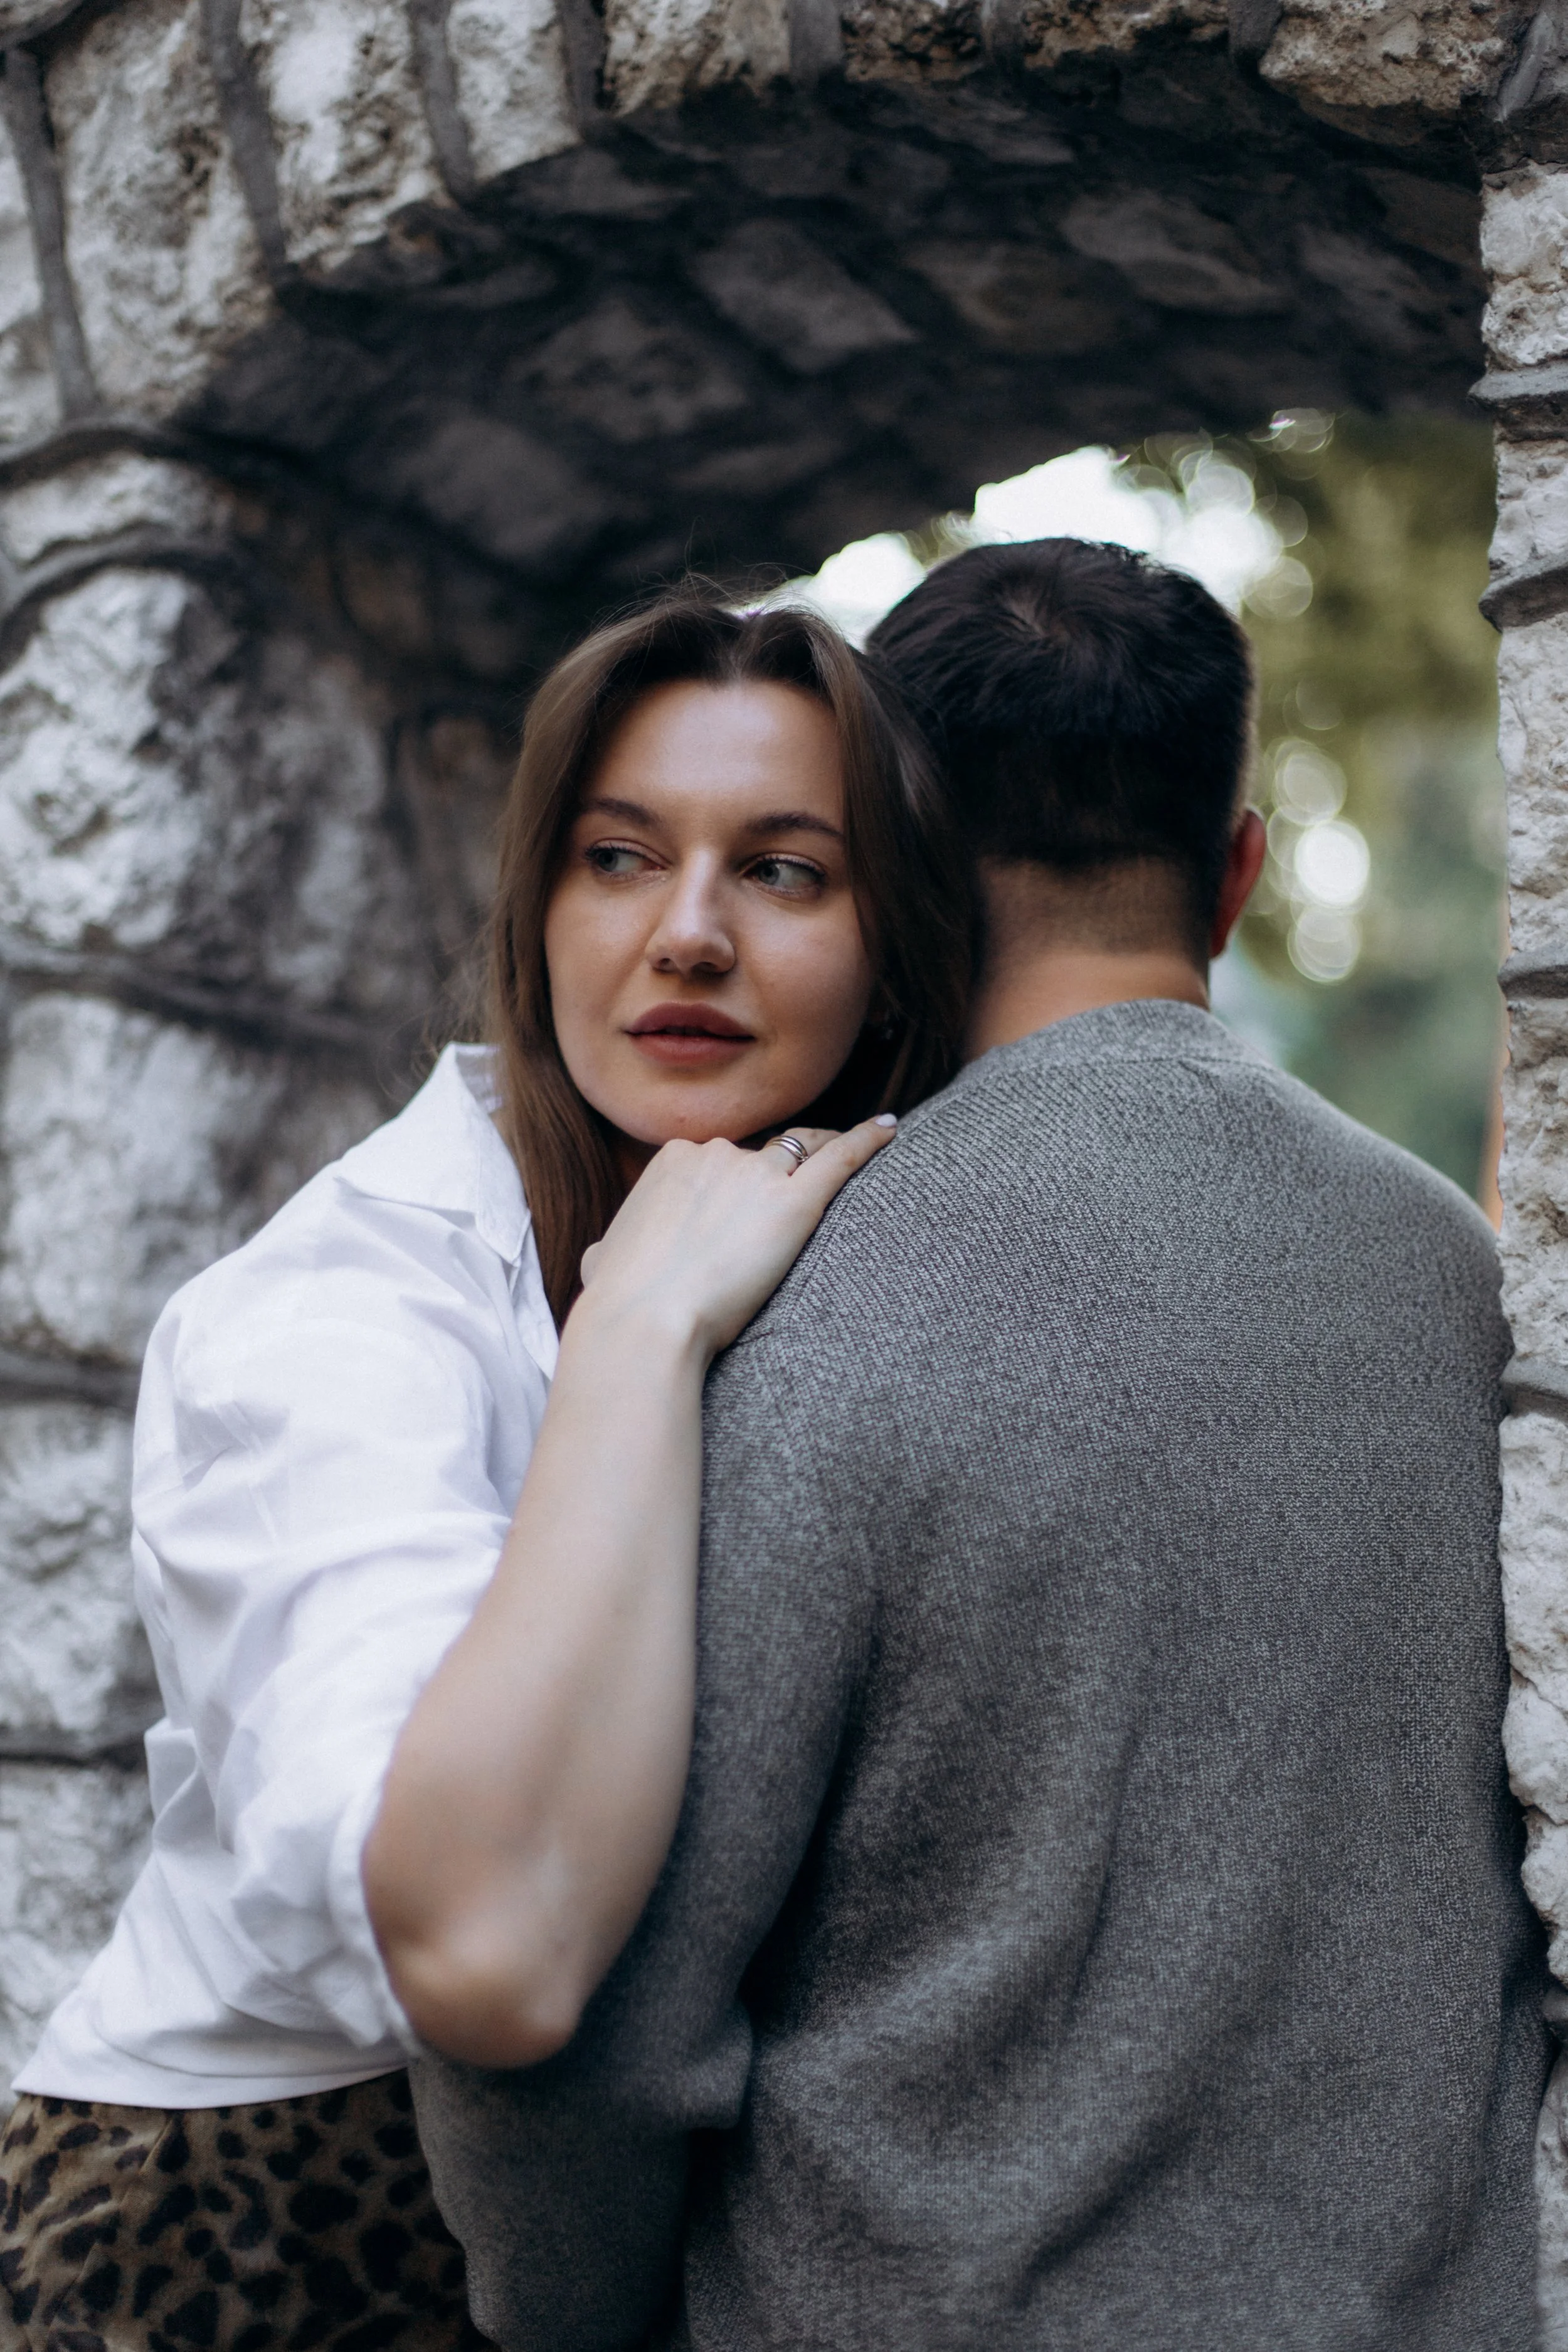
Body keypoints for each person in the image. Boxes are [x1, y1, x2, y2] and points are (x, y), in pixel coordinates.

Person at [413, 539, 1550, 2352]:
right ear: (1237, 868)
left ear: (901, 861)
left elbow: (586, 2038)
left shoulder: (777, 1300)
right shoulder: (1470, 1291)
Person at [0, 593, 972, 2351]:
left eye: (783, 871)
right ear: (532, 916)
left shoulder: (860, 1260)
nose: (686, 933)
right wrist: (635, 1331)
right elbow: (481, 1951)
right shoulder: (331, 1321)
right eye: (618, 857)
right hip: (261, 2226)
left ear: (889, 949)